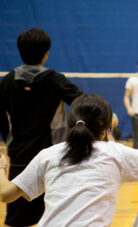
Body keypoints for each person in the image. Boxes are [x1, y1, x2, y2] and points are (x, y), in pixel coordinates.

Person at [0, 94, 138, 227]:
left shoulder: (49, 154)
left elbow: (6, 194)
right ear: (106, 128)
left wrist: (1, 167)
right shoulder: (116, 153)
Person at [0, 28, 83, 226]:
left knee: (19, 219)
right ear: (46, 54)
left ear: (20, 51)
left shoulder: (8, 82)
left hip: (20, 158)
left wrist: (9, 141)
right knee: (58, 217)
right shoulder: (55, 81)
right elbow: (83, 102)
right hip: (52, 158)